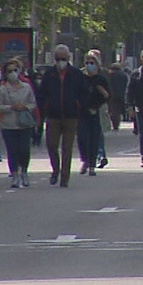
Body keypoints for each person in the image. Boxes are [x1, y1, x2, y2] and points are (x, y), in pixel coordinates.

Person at [39, 44, 91, 183]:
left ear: (68, 58)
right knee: (51, 145)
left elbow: (84, 93)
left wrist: (79, 106)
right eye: (58, 58)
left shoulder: (76, 74)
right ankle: (55, 169)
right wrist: (44, 110)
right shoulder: (49, 74)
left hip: (71, 116)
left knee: (67, 148)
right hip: (53, 116)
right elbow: (42, 94)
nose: (60, 61)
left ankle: (64, 177)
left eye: (63, 58)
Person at [0, 57, 38, 188]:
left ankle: (24, 171)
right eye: (9, 71)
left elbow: (33, 103)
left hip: (24, 124)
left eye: (15, 70)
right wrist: (11, 107)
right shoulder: (3, 89)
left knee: (24, 149)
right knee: (12, 150)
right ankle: (14, 174)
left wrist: (25, 107)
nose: (13, 73)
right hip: (9, 124)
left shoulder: (26, 87)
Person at [77, 50, 109, 176]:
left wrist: (100, 90)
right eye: (87, 63)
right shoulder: (80, 78)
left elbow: (107, 95)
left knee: (94, 138)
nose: (89, 65)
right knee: (82, 138)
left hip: (96, 111)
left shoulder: (101, 79)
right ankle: (84, 159)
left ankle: (92, 164)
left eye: (92, 63)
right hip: (82, 112)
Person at [106, 62, 129, 134]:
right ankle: (120, 121)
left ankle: (115, 125)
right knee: (119, 109)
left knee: (114, 110)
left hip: (113, 94)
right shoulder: (124, 75)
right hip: (121, 94)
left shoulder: (110, 75)